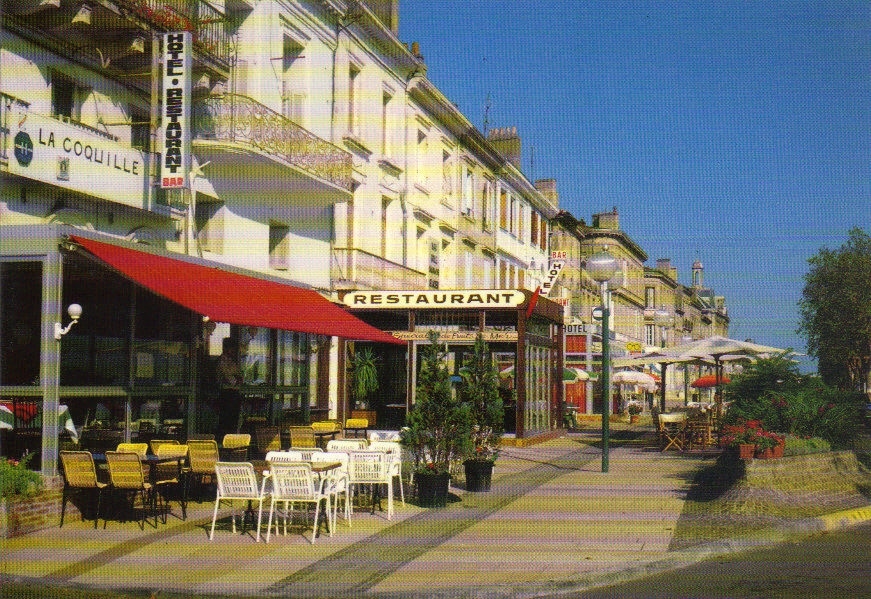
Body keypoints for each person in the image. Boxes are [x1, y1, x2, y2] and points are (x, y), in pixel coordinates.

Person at [216, 338, 243, 438]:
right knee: (227, 420)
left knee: (234, 420)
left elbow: (240, 375)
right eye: (232, 348)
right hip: (227, 393)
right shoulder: (222, 361)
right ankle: (225, 440)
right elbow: (228, 377)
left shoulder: (231, 361)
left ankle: (231, 439)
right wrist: (236, 380)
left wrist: (237, 379)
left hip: (234, 393)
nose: (233, 351)